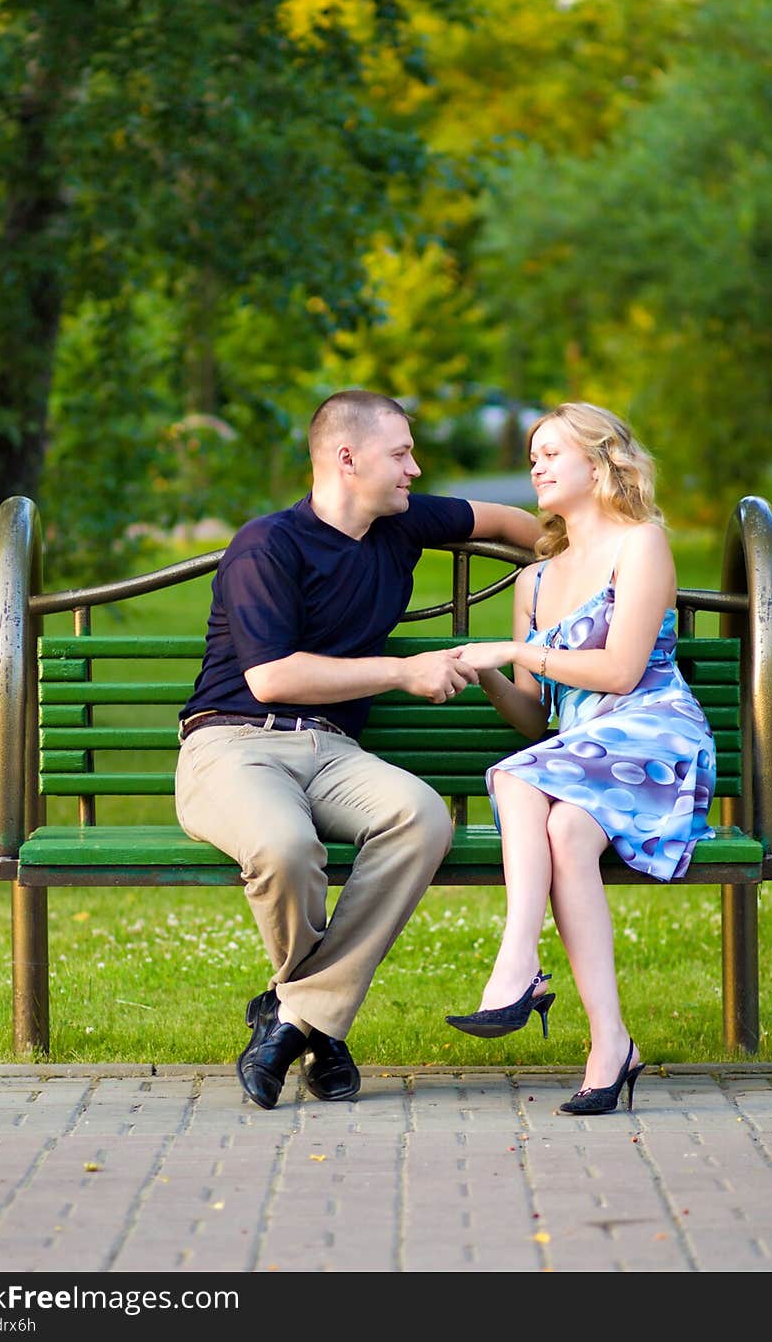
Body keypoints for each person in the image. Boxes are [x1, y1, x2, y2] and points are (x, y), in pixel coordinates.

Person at [175, 388, 539, 1110]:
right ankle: (322, 1028)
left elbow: (513, 522)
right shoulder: (268, 545)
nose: (414, 468)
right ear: (348, 458)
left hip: (334, 751)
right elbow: (272, 677)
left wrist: (584, 558)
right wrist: (406, 671)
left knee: (423, 817)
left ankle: (292, 1019)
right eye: (400, 453)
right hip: (232, 742)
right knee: (283, 848)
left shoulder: (402, 524)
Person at [445, 401, 716, 1115]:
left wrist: (515, 649)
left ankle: (516, 964)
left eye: (550, 452)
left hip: (653, 737)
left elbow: (623, 671)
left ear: (597, 465)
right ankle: (612, 1043)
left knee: (511, 778)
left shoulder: (642, 543)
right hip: (576, 752)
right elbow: (538, 716)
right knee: (564, 831)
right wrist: (488, 671)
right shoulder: (534, 582)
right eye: (532, 453)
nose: (535, 464)